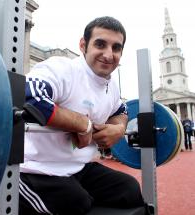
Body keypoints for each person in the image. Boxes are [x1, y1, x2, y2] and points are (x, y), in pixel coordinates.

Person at [19, 16, 146, 215]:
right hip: (33, 169)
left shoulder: (110, 85)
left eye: (116, 48)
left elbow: (121, 111)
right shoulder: (62, 69)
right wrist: (82, 124)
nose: (108, 54)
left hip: (78, 168)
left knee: (129, 189)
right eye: (100, 44)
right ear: (83, 45)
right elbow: (28, 97)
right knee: (75, 202)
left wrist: (118, 128)